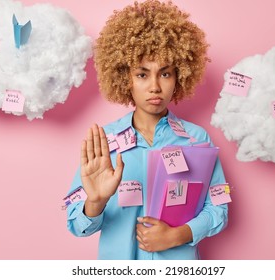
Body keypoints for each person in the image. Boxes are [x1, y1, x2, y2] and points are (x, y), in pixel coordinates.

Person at [66, 0, 228, 260]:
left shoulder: (197, 139)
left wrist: (178, 235)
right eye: (142, 74)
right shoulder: (103, 143)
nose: (154, 86)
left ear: (180, 77)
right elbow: (77, 224)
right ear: (124, 78)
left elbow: (219, 208)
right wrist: (95, 202)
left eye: (165, 74)